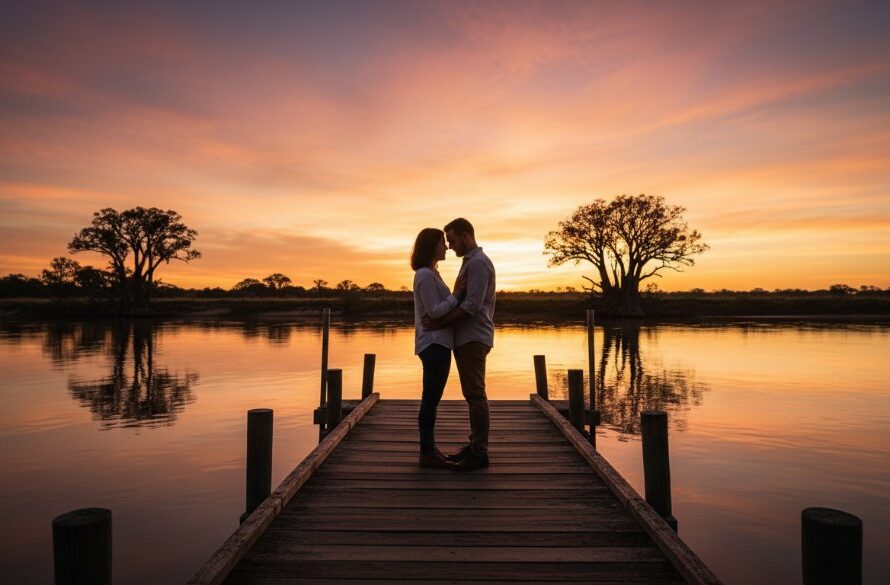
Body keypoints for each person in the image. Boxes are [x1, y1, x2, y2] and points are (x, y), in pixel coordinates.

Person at [423, 218, 496, 471]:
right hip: (467, 338)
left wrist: (440, 323)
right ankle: (474, 447)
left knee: (476, 395)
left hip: (473, 337)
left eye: (452, 240)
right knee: (472, 394)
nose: (450, 247)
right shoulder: (470, 263)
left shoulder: (477, 264)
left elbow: (472, 306)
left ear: (466, 235)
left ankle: (479, 455)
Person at [411, 228, 466, 469]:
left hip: (439, 343)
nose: (446, 247)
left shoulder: (432, 273)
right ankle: (426, 453)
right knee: (430, 399)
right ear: (430, 246)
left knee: (432, 398)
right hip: (433, 344)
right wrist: (456, 295)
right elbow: (434, 310)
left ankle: (430, 449)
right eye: (442, 243)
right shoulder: (424, 275)